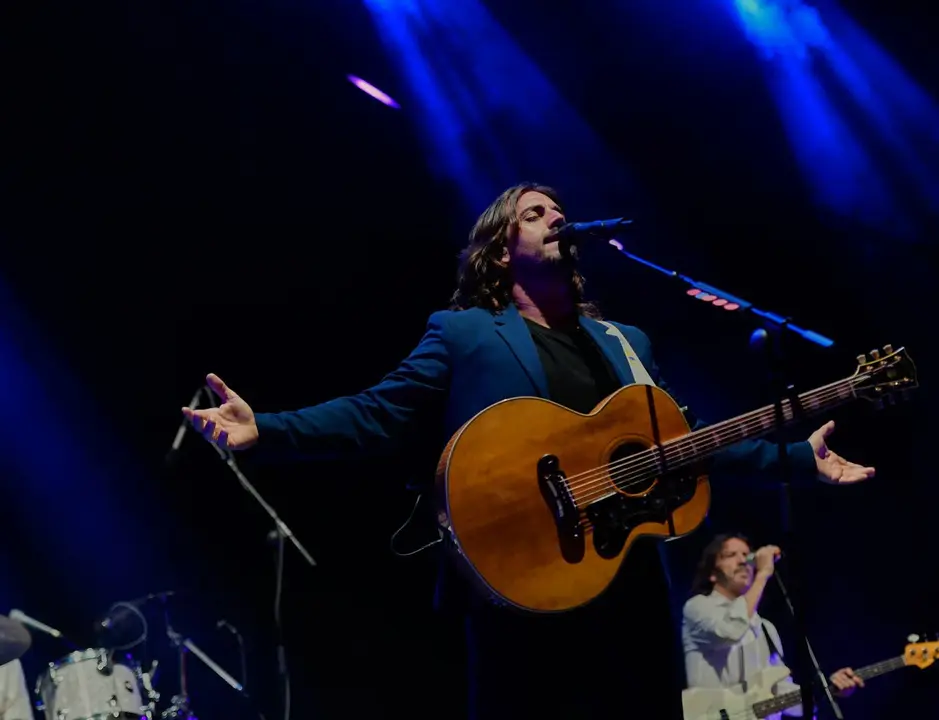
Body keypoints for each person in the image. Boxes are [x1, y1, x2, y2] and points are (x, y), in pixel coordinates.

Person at [182, 182, 875, 719]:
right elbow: (376, 415)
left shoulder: (626, 341)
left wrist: (794, 460)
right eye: (536, 213)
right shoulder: (463, 332)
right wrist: (266, 428)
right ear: (498, 247)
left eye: (558, 211)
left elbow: (682, 446)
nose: (555, 219)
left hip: (625, 583)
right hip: (515, 574)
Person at [682, 533, 864, 718]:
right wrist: (763, 575)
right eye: (731, 555)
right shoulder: (697, 607)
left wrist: (826, 691)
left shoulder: (766, 628)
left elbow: (784, 695)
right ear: (712, 574)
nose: (743, 561)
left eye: (746, 555)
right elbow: (730, 631)